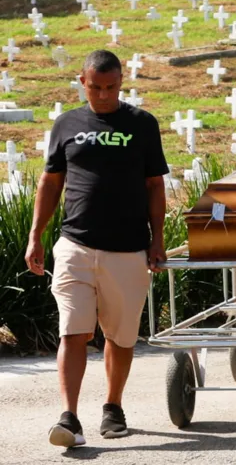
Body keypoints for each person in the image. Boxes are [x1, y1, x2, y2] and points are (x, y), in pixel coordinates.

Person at [25, 50, 168, 448]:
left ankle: (113, 406)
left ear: (120, 83)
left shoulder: (142, 124)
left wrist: (157, 239)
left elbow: (155, 185)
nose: (103, 96)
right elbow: (51, 182)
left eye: (111, 88)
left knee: (120, 337)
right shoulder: (66, 123)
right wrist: (36, 234)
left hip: (128, 250)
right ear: (82, 82)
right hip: (75, 244)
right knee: (74, 330)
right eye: (96, 88)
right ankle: (69, 417)